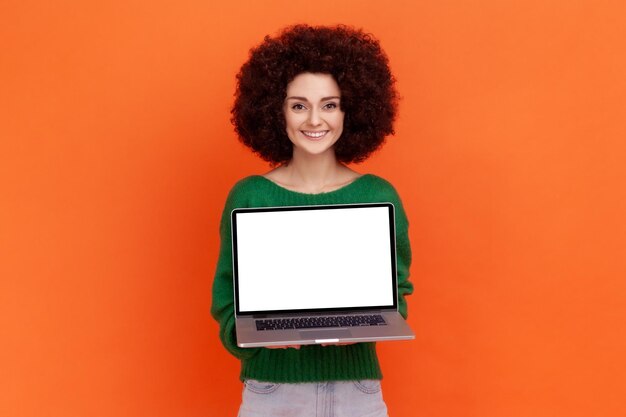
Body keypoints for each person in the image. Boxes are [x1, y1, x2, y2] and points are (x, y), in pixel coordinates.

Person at [211, 24, 413, 417]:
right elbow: (226, 296)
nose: (315, 120)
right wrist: (248, 335)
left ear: (350, 110)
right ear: (276, 110)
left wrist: (373, 320)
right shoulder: (249, 196)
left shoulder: (378, 195)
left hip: (357, 390)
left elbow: (399, 289)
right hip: (272, 388)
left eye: (330, 104)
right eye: (299, 105)